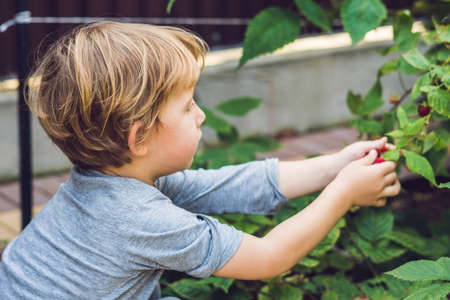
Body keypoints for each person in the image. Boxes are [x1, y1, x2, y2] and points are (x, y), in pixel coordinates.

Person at [0, 22, 401, 299]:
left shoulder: (111, 181)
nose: (201, 115)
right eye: (189, 105)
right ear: (139, 138)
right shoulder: (141, 219)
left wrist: (334, 165)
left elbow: (237, 184)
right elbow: (268, 258)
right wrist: (343, 193)